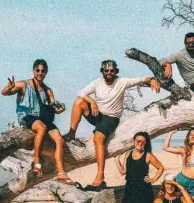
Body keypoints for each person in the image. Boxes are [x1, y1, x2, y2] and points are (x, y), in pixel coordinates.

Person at [64, 60, 161, 188]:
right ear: (102, 72)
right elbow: (80, 93)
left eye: (112, 71)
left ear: (115, 72)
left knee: (98, 138)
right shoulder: (97, 83)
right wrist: (92, 101)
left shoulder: (121, 82)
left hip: (111, 118)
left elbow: (141, 79)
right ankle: (72, 133)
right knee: (79, 102)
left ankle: (100, 174)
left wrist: (152, 80)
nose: (109, 73)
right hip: (97, 114)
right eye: (106, 71)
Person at [1, 59, 73, 184]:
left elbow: (53, 107)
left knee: (60, 140)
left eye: (43, 71)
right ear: (33, 71)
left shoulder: (48, 90)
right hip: (27, 116)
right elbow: (4, 93)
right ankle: (36, 160)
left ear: (46, 73)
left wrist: (59, 110)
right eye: (38, 70)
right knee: (41, 128)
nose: (40, 73)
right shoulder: (23, 85)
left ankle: (61, 172)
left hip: (43, 118)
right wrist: (9, 88)